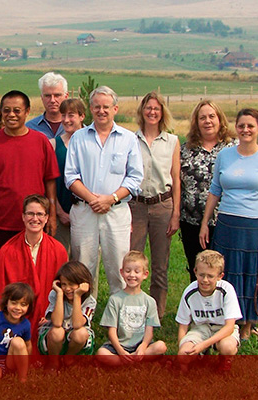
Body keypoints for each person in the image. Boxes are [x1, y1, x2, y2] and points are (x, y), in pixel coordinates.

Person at [199, 108, 258, 341]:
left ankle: (247, 325)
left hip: (255, 227)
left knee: (251, 275)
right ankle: (226, 322)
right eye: (241, 125)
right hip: (227, 224)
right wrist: (206, 222)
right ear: (235, 128)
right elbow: (215, 190)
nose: (245, 130)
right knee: (227, 275)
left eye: (250, 126)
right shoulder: (225, 155)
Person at [64, 86, 143, 298]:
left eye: (106, 107)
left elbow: (135, 177)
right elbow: (70, 176)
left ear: (115, 108)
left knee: (119, 267)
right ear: (90, 109)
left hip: (116, 212)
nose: (101, 111)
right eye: (97, 107)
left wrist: (111, 198)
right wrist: (92, 200)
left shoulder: (128, 139)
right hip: (84, 211)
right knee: (82, 268)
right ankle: (83, 318)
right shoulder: (79, 138)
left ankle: (119, 316)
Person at [0, 90, 59, 255]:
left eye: (17, 111)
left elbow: (50, 182)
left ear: (27, 112)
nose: (11, 115)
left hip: (32, 222)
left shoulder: (40, 141)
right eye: (6, 110)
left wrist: (52, 216)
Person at [129, 92, 181, 318]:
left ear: (162, 113)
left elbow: (176, 178)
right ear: (142, 111)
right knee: (132, 261)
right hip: (136, 207)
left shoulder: (172, 141)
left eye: (156, 109)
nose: (152, 112)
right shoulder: (130, 139)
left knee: (160, 264)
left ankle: (156, 314)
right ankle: (131, 308)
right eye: (148, 108)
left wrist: (175, 213)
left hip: (162, 206)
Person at [0, 194, 67, 348]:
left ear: (46, 218)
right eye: (30, 214)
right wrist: (0, 322)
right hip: (15, 318)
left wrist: (53, 315)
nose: (35, 218)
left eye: (40, 214)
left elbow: (65, 291)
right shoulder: (7, 251)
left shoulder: (59, 250)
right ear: (23, 217)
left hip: (47, 317)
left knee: (57, 334)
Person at [180, 100, 235, 281]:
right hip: (191, 221)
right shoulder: (186, 150)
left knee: (221, 270)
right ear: (196, 122)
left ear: (220, 119)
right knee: (198, 269)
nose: (208, 121)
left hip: (223, 220)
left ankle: (222, 306)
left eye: (212, 116)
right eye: (202, 117)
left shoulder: (233, 148)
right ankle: (198, 308)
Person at [96, 251, 167, 366]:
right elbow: (111, 331)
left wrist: (143, 348)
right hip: (119, 345)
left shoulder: (149, 301)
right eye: (128, 271)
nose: (132, 275)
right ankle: (130, 361)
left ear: (145, 274)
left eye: (137, 271)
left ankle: (129, 361)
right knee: (101, 353)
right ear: (122, 273)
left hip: (140, 344)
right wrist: (120, 350)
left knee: (161, 346)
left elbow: (149, 331)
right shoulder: (115, 299)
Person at [175, 250, 241, 371]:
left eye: (210, 276)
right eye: (201, 275)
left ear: (220, 276)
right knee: (183, 355)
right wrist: (182, 350)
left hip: (222, 328)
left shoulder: (226, 290)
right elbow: (183, 325)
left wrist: (202, 345)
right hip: (200, 328)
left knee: (227, 347)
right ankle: (198, 357)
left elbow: (229, 326)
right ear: (195, 272)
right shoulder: (190, 292)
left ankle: (224, 360)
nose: (205, 280)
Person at [38, 261, 96, 369]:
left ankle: (69, 358)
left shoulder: (89, 301)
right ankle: (53, 362)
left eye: (71, 284)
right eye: (64, 284)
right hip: (53, 339)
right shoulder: (56, 294)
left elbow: (77, 324)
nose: (67, 289)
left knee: (81, 333)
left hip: (75, 339)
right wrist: (59, 294)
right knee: (57, 331)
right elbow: (57, 323)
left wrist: (77, 296)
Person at [49, 98, 85, 254]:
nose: (66, 120)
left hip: (87, 214)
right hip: (60, 213)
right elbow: (49, 182)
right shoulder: (53, 144)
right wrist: (60, 212)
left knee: (84, 265)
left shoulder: (92, 143)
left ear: (82, 116)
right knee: (60, 259)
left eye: (71, 115)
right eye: (63, 115)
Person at [26, 72, 69, 139]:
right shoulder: (29, 128)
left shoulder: (77, 128)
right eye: (47, 96)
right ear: (42, 97)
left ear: (66, 96)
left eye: (57, 95)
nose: (52, 100)